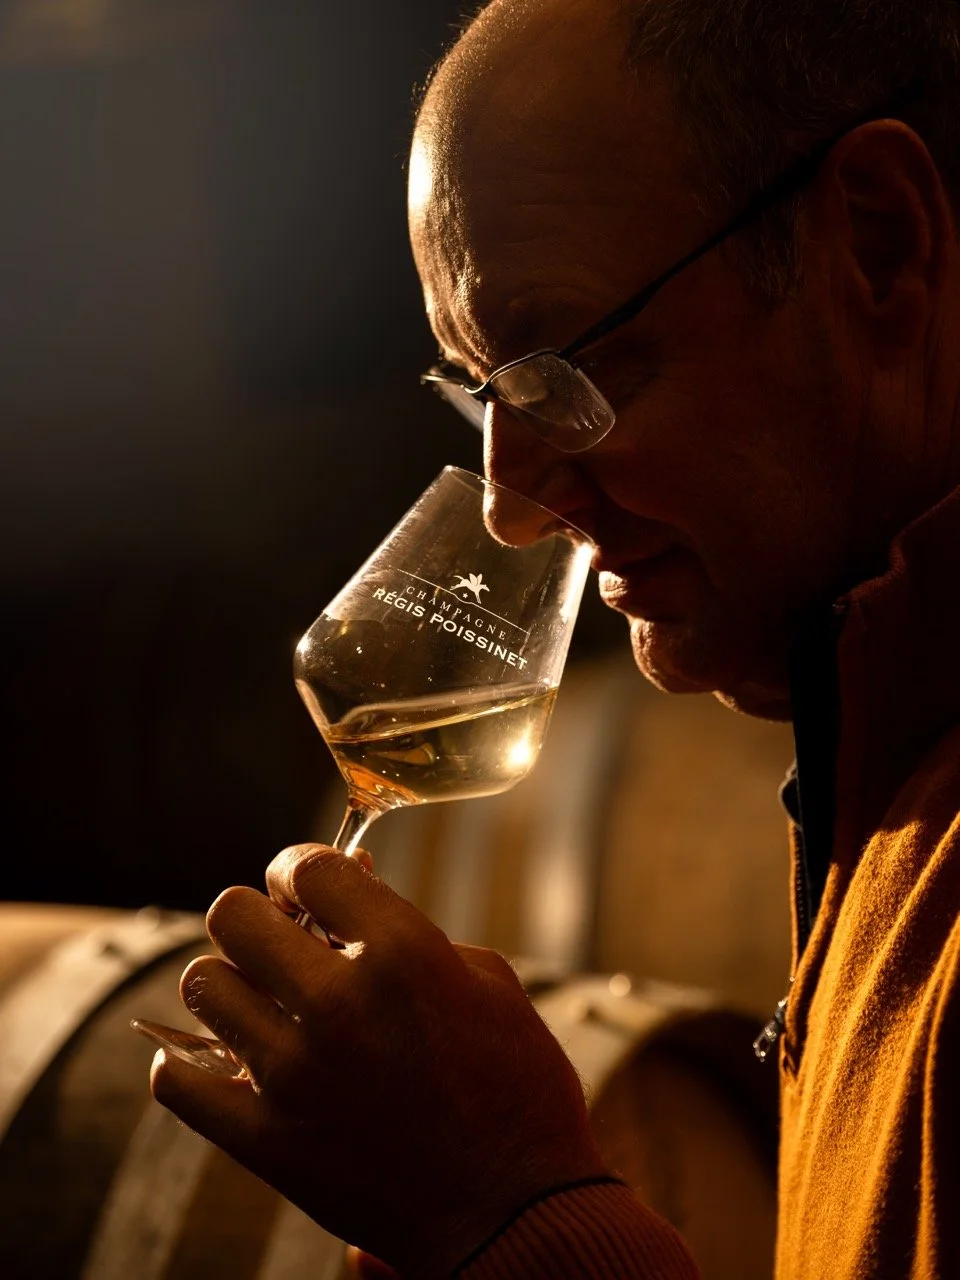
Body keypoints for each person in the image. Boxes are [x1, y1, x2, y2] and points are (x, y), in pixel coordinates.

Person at [149, 0, 960, 1275]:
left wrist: (510, 1212)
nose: (509, 510)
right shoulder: (890, 738)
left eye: (566, 375)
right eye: (482, 391)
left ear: (877, 240)